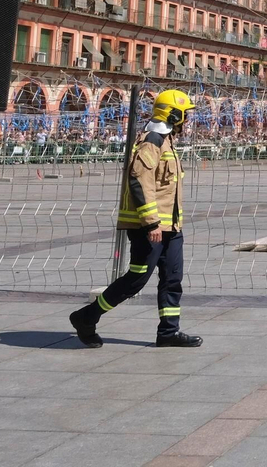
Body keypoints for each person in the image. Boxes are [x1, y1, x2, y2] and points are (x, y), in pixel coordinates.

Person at [69, 89, 202, 348]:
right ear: (173, 115)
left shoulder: (166, 139)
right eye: (185, 115)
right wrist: (151, 222)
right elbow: (139, 180)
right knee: (137, 279)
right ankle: (86, 317)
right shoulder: (152, 140)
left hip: (171, 227)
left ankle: (168, 333)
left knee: (172, 278)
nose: (187, 121)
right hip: (150, 228)